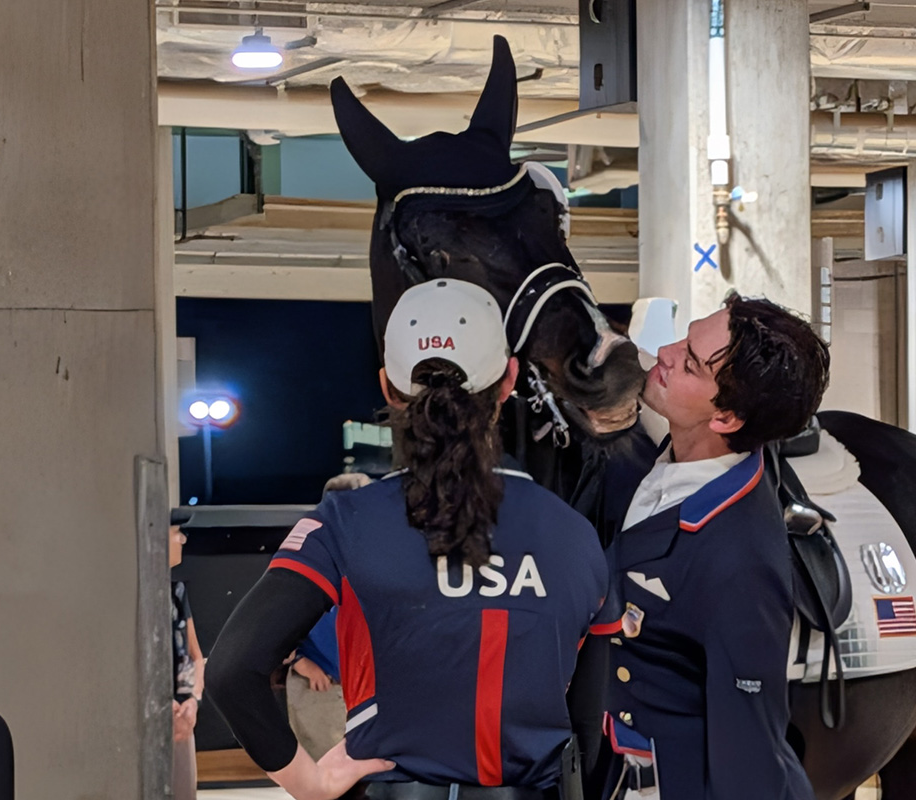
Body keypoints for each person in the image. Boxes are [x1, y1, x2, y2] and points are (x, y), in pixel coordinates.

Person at [206, 279, 618, 800]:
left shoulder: (347, 522)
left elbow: (231, 671)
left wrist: (309, 783)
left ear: (388, 388)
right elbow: (589, 728)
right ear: (509, 379)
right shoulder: (575, 536)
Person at [601, 293, 828, 800]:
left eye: (689, 363)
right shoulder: (660, 466)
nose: (664, 351)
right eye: (686, 335)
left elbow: (748, 746)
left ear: (725, 417)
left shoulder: (739, 557)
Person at [285, 474, 374, 762]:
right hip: (323, 688)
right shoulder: (308, 555)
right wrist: (298, 659)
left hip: (369, 691)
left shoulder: (377, 557)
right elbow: (272, 624)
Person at [170, 508, 205, 800]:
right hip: (158, 717)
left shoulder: (178, 591)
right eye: (174, 534)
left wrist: (194, 699)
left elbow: (196, 655)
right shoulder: (136, 594)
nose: (181, 540)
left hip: (183, 716)